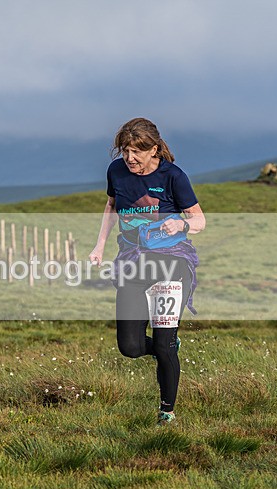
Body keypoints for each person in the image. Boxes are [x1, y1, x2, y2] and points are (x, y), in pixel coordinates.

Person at [89, 118, 205, 426]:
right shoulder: (116, 171)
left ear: (153, 149)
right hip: (133, 263)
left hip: (171, 265)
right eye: (125, 151)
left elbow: (199, 220)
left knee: (164, 343)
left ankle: (167, 412)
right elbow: (111, 206)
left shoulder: (173, 176)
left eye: (137, 152)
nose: (130, 158)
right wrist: (99, 246)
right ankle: (166, 348)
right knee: (129, 346)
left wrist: (181, 224)